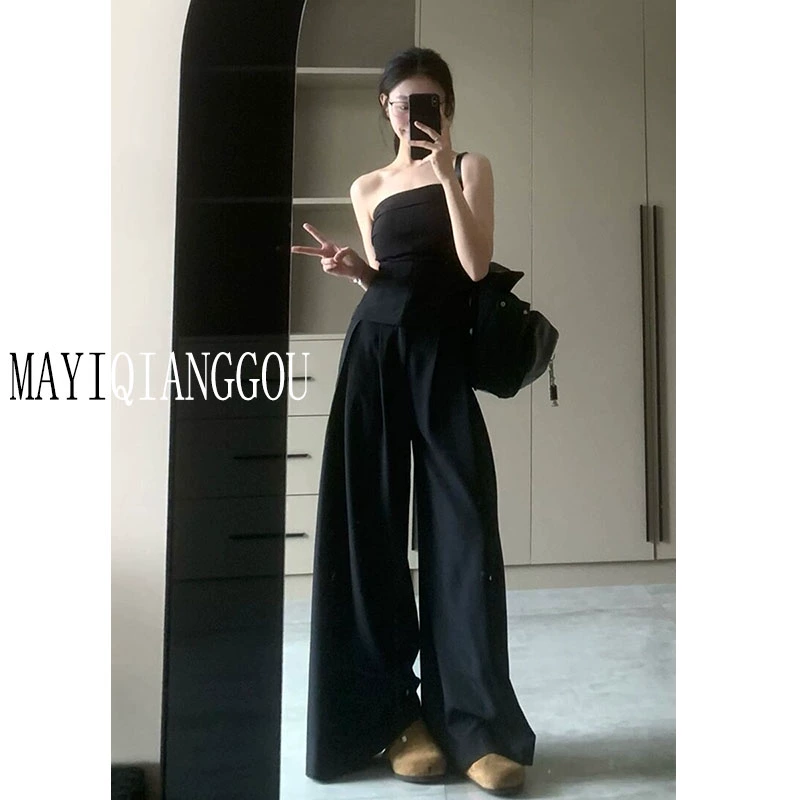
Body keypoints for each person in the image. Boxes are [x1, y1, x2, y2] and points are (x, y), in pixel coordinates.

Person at [291, 47, 536, 796]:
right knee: (369, 532)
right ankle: (396, 718)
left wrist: (446, 172)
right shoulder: (366, 187)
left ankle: (474, 724)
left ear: (446, 108)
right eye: (402, 103)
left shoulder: (470, 168)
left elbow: (473, 265)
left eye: (428, 102)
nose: (413, 114)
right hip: (373, 351)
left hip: (440, 359)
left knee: (462, 531)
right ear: (385, 108)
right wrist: (355, 271)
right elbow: (387, 276)